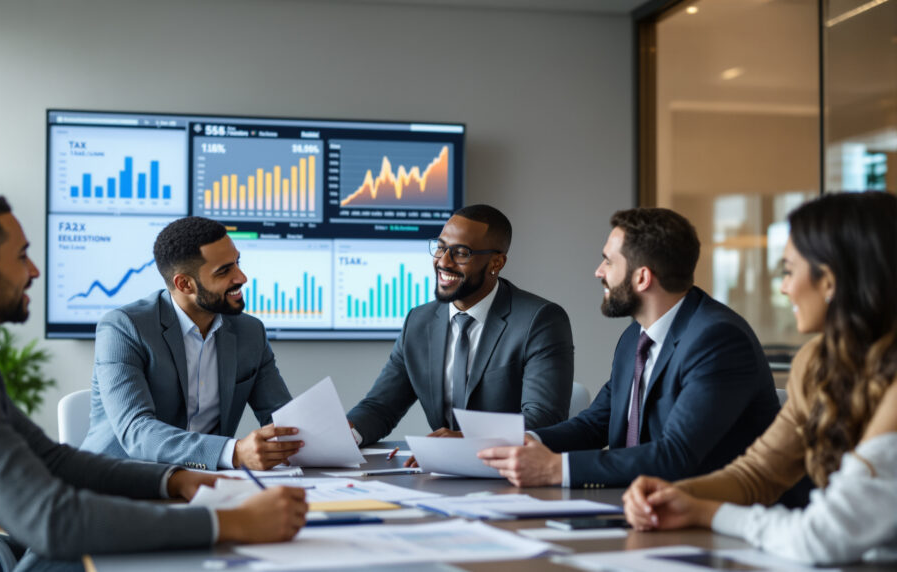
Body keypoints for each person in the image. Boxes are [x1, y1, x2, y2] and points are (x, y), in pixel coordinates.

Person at [0, 187, 306, 571]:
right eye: (22, 256)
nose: (35, 271)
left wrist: (174, 479)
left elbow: (51, 459)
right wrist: (230, 522)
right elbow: (51, 519)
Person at [622, 192, 897, 565]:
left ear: (829, 281)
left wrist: (706, 512)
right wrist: (672, 494)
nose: (783, 287)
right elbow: (758, 474)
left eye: (788, 271)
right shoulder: (817, 362)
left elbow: (821, 538)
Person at [479, 207, 779, 488]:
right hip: (641, 506)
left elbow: (677, 456)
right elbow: (596, 424)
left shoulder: (717, 340)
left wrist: (557, 468)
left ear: (642, 277)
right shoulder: (635, 335)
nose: (599, 271)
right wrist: (518, 442)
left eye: (608, 261)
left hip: (713, 519)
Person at [81, 216, 301, 471]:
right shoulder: (124, 327)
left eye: (237, 263)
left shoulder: (250, 332)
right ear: (184, 284)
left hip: (206, 480)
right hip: (123, 482)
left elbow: (284, 420)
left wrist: (322, 442)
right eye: (224, 271)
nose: (242, 277)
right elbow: (136, 431)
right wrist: (235, 452)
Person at [346, 204, 574, 447]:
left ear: (496, 262)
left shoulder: (540, 320)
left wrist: (467, 441)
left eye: (461, 253)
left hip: (509, 474)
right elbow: (381, 407)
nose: (444, 262)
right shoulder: (419, 321)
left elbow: (543, 419)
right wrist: (340, 435)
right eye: (441, 248)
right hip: (442, 474)